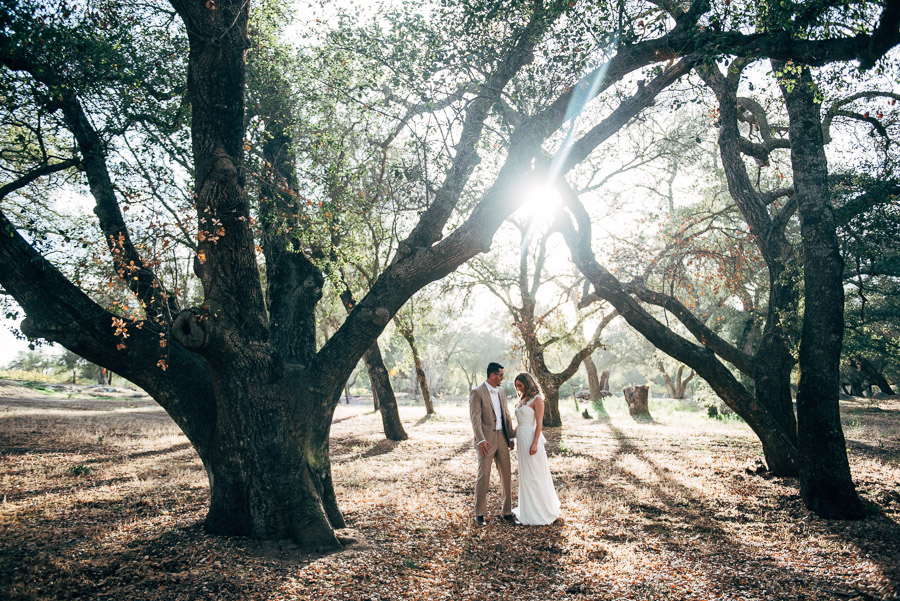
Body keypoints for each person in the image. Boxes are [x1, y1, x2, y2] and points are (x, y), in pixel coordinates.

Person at [469, 362, 517, 526]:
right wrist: (481, 440)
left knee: (506, 474)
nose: (502, 378)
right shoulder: (477, 392)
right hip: (486, 441)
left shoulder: (501, 392)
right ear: (492, 375)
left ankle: (507, 512)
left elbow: (506, 414)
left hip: (502, 438)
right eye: (501, 375)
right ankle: (479, 514)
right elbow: (475, 418)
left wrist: (511, 436)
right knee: (484, 475)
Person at [511, 372, 560, 525]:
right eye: (517, 386)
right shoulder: (523, 399)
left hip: (531, 438)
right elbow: (519, 422)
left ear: (528, 382)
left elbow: (539, 423)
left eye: (521, 385)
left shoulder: (537, 399)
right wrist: (512, 437)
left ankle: (540, 511)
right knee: (526, 475)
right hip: (521, 439)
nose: (519, 388)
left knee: (535, 474)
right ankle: (528, 510)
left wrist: (534, 442)